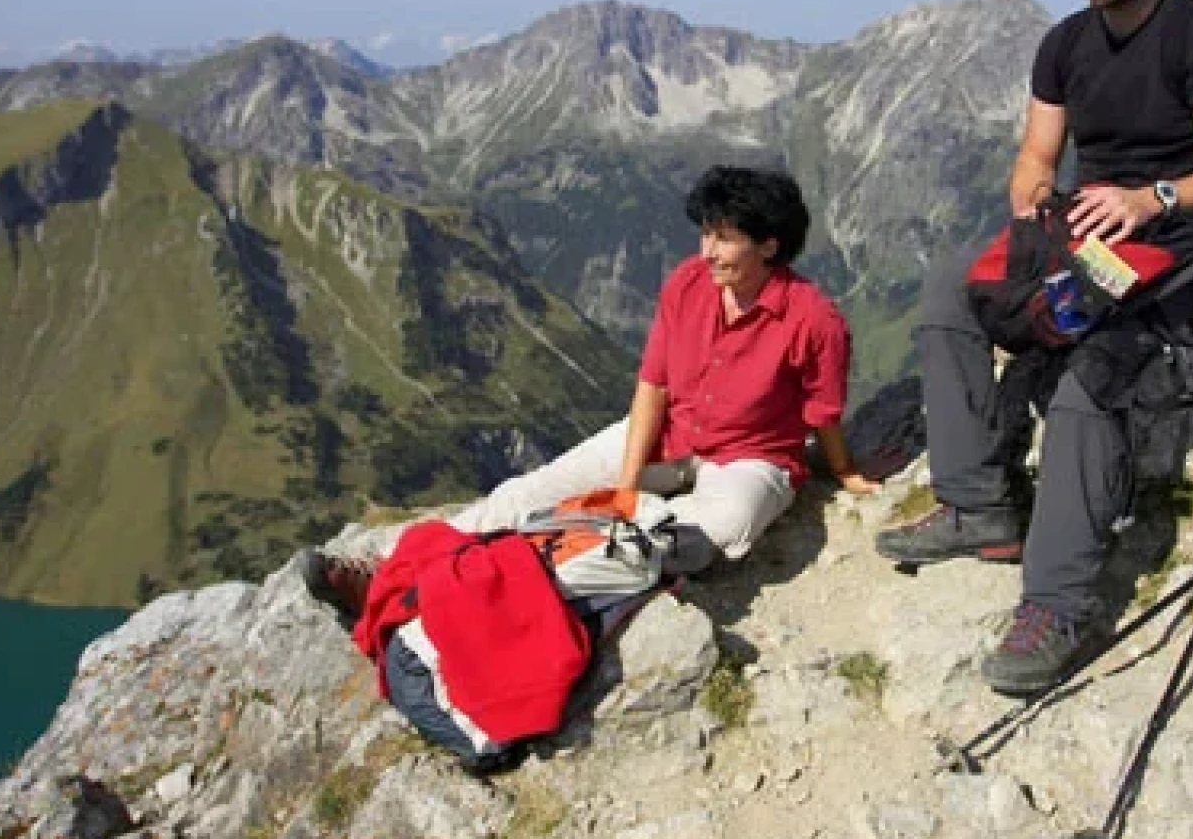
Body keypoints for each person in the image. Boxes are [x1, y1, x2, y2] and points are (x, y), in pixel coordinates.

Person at [876, 0, 1193, 695]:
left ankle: (1056, 602)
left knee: (1095, 371)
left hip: (1178, 241)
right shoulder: (1065, 43)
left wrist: (1151, 198)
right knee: (951, 287)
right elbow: (1037, 155)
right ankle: (978, 503)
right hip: (1087, 228)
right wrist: (1032, 209)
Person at [307, 165, 878, 611]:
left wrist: (845, 471)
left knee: (721, 527)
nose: (706, 252)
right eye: (705, 234)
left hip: (751, 457)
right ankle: (384, 565)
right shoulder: (687, 284)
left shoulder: (814, 321)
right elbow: (653, 385)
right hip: (670, 432)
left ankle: (494, 582)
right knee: (525, 494)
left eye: (723, 239)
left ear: (769, 246)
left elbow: (822, 412)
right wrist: (624, 487)